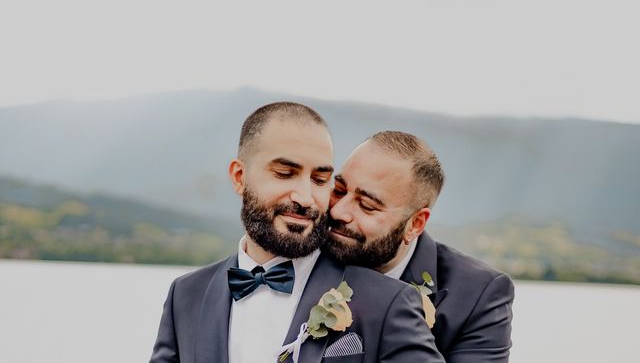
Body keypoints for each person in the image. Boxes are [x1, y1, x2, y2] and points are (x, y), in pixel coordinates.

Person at [150, 103, 445, 363]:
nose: (305, 197)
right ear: (240, 177)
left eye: (320, 179)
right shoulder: (185, 295)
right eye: (285, 173)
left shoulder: (389, 302)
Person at [325, 131, 515, 363]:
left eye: (366, 205)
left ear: (415, 225)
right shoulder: (304, 251)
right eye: (339, 190)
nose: (338, 211)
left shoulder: (479, 294)